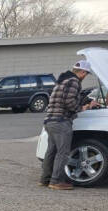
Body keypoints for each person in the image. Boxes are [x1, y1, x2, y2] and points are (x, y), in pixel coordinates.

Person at [40, 60, 99, 190]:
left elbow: (60, 100)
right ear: (82, 72)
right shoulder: (74, 81)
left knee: (51, 151)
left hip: (50, 121)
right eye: (86, 74)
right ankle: (56, 181)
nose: (85, 76)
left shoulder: (62, 81)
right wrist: (84, 107)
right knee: (63, 153)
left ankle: (45, 179)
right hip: (61, 122)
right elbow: (69, 102)